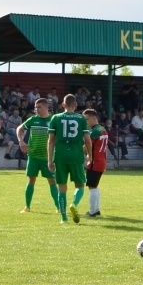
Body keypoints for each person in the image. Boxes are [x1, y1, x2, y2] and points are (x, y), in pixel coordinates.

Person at [47, 94, 91, 224]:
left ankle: (64, 218)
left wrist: (50, 159)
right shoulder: (81, 119)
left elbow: (50, 141)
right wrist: (90, 155)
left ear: (63, 105)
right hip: (76, 155)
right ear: (76, 105)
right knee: (80, 185)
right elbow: (87, 140)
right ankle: (74, 204)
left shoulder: (55, 118)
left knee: (61, 186)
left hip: (60, 155)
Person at [17, 97, 60, 215]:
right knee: (31, 180)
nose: (36, 109)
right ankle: (27, 207)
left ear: (46, 107)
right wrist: (21, 141)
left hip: (48, 158)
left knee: (52, 181)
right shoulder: (33, 120)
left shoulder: (53, 120)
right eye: (35, 107)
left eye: (39, 107)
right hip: (33, 156)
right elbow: (20, 128)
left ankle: (58, 208)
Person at [84, 108, 107, 218]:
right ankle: (96, 209)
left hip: (94, 162)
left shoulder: (94, 131)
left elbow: (87, 145)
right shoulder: (102, 129)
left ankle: (92, 211)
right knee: (95, 186)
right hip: (101, 161)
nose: (86, 122)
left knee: (92, 186)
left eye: (86, 119)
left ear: (94, 118)